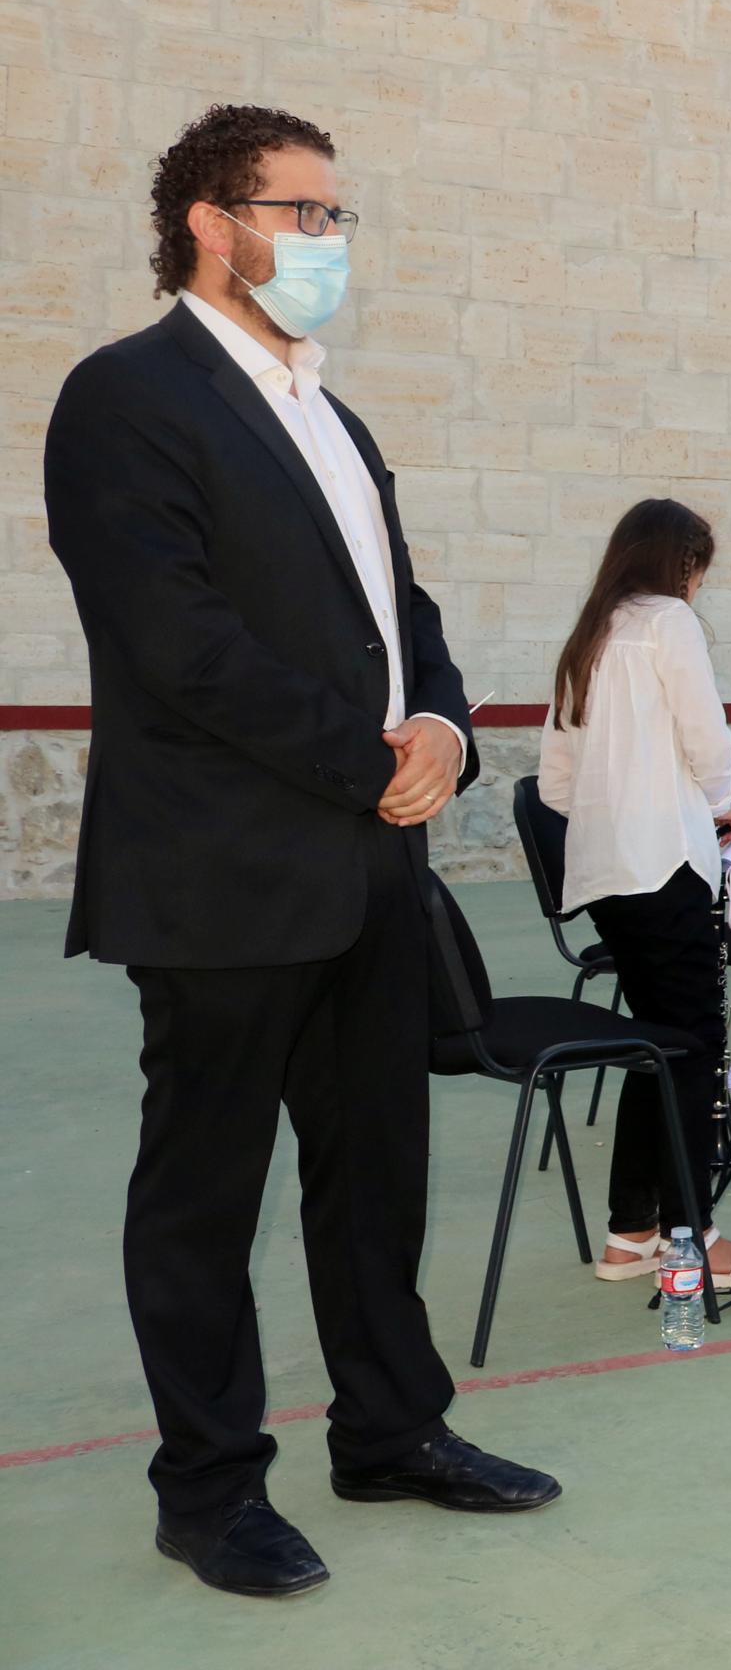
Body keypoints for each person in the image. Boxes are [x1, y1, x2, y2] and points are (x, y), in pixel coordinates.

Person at [43, 103, 557, 1597]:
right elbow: (174, 641)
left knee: (377, 1170)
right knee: (206, 1194)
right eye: (302, 213)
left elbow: (408, 617)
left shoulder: (335, 416)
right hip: (224, 871)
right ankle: (208, 1491)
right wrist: (368, 759)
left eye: (339, 219)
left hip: (369, 865)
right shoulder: (127, 398)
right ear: (212, 220)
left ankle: (392, 1431)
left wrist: (448, 731)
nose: (327, 242)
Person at [540, 501, 731, 1299]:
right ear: (683, 564)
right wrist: (717, 800)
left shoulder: (589, 633)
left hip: (606, 873)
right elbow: (709, 747)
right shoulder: (668, 623)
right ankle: (693, 1232)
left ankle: (631, 1231)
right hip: (666, 866)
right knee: (690, 1048)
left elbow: (554, 783)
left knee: (657, 1045)